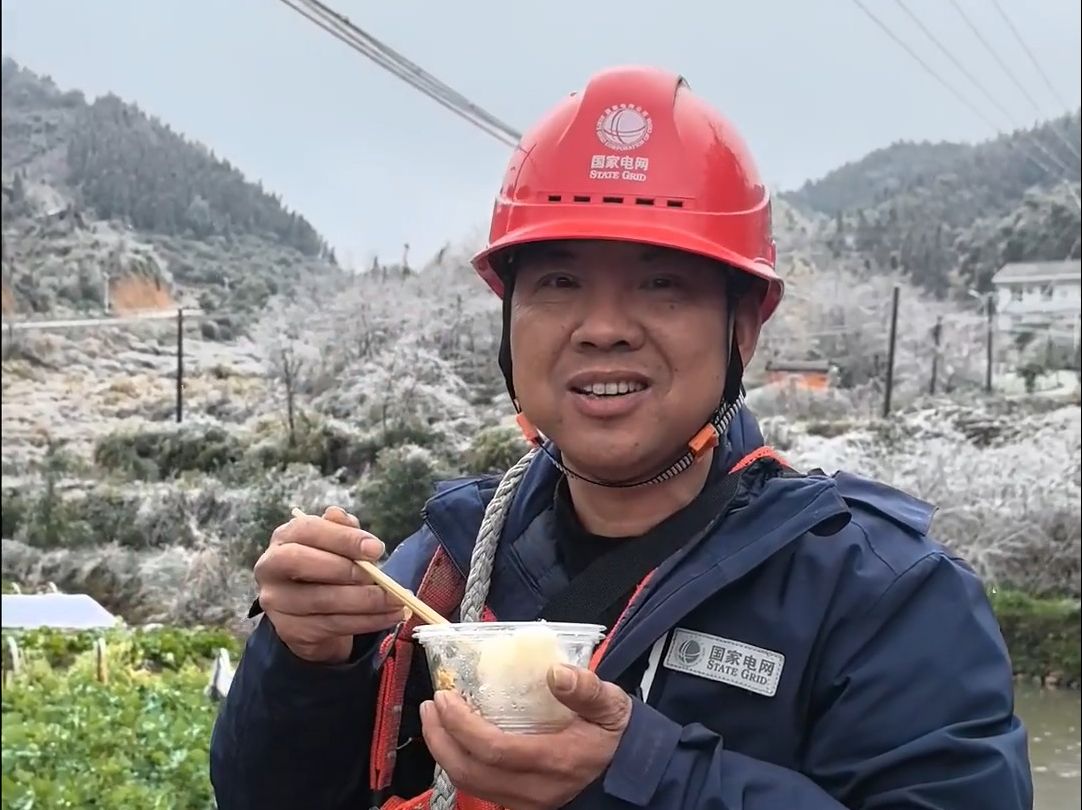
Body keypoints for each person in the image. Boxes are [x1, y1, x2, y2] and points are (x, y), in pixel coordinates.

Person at [209, 65, 1032, 809]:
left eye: (662, 284)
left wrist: (644, 773)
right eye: (560, 281)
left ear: (742, 326)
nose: (603, 328)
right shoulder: (440, 560)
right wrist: (306, 662)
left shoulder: (884, 596)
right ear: (509, 321)